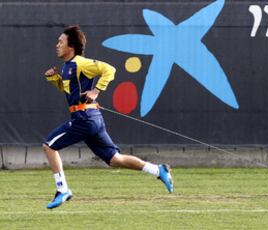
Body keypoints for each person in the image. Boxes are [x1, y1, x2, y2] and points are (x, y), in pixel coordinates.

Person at [43, 25, 173, 209]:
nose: (57, 45)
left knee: (48, 146)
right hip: (90, 118)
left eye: (60, 42)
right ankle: (158, 170)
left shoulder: (81, 63)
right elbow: (68, 91)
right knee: (114, 159)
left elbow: (109, 69)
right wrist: (54, 78)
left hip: (84, 118)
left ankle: (62, 190)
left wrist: (96, 91)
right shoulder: (66, 67)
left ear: (70, 46)